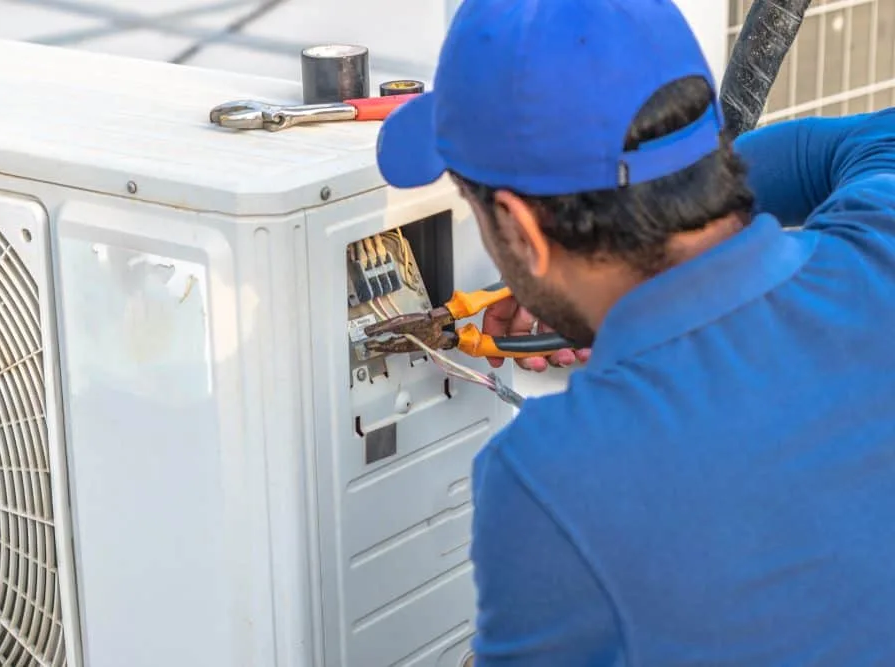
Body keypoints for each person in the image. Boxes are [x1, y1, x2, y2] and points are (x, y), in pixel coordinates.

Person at [375, 0, 895, 664]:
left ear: (519, 226)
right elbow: (873, 141)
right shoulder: (881, 244)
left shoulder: (554, 480)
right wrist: (656, 248)